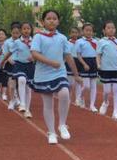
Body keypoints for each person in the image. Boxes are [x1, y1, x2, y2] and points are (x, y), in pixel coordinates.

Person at [31, 10, 82, 144]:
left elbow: (68, 56)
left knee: (65, 93)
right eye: (48, 18)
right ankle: (52, 132)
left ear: (58, 21)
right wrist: (50, 62)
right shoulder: (38, 37)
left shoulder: (62, 38)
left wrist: (76, 75)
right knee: (48, 104)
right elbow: (35, 54)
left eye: (54, 18)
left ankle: (62, 124)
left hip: (59, 73)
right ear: (43, 22)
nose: (52, 21)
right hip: (43, 75)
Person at [97, 21, 117, 120]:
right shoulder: (102, 42)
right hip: (106, 69)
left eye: (113, 27)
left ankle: (115, 112)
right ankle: (105, 102)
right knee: (106, 90)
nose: (111, 29)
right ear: (104, 30)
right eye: (108, 28)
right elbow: (98, 54)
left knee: (116, 90)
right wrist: (98, 64)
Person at [3, 22, 34, 118]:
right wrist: (3, 61)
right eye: (24, 29)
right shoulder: (17, 42)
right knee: (21, 80)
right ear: (21, 31)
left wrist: (34, 58)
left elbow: (40, 52)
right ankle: (22, 104)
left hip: (30, 65)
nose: (26, 30)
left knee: (28, 88)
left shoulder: (35, 41)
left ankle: (27, 109)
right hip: (19, 64)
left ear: (31, 30)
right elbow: (9, 52)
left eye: (28, 28)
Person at [75, 23, 99, 112]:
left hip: (93, 63)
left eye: (91, 30)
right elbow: (78, 55)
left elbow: (97, 54)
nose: (89, 32)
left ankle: (92, 105)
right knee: (86, 86)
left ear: (93, 32)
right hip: (84, 62)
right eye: (87, 30)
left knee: (93, 86)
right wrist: (84, 64)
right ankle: (80, 97)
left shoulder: (96, 42)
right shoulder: (79, 41)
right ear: (82, 31)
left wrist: (98, 64)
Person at [2, 23, 21, 110]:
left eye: (17, 33)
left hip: (21, 64)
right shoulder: (7, 42)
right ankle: (12, 100)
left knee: (20, 83)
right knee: (11, 84)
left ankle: (19, 99)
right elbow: (5, 53)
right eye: (14, 33)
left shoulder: (22, 41)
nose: (15, 35)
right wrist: (10, 60)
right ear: (11, 32)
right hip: (11, 64)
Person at [67, 27, 80, 106]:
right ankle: (68, 97)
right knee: (70, 83)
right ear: (70, 34)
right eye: (72, 32)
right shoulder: (67, 43)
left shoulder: (80, 42)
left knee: (78, 82)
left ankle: (78, 99)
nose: (74, 34)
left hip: (78, 62)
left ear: (78, 34)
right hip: (69, 62)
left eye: (76, 32)